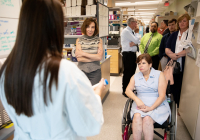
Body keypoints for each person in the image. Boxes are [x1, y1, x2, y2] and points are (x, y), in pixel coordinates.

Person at [0, 0, 104, 139]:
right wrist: (96, 96)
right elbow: (90, 125)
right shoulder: (65, 72)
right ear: (55, 26)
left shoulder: (8, 69)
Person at [125, 53, 171, 140]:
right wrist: (136, 99)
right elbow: (127, 90)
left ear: (150, 64)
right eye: (139, 63)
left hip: (157, 104)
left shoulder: (159, 74)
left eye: (143, 63)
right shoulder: (135, 76)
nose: (140, 66)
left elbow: (162, 96)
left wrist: (151, 108)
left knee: (147, 119)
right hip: (140, 103)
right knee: (137, 117)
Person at [165, 14, 190, 108]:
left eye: (184, 21)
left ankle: (180, 107)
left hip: (184, 66)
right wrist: (171, 55)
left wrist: (177, 55)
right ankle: (170, 105)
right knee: (171, 85)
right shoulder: (174, 34)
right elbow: (166, 48)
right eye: (180, 21)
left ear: (188, 22)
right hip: (172, 65)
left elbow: (190, 49)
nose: (182, 23)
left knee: (181, 86)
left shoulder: (190, 35)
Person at [75, 18, 103, 86]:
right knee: (83, 94)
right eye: (88, 27)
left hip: (95, 72)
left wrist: (83, 53)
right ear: (85, 27)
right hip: (82, 72)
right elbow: (79, 58)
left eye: (92, 27)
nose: (90, 29)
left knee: (94, 94)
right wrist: (94, 57)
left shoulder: (99, 40)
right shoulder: (79, 40)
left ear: (95, 29)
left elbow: (99, 57)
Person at [121, 17, 140, 97]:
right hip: (128, 55)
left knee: (132, 73)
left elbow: (138, 41)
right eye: (136, 22)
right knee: (127, 73)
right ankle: (125, 91)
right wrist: (136, 33)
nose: (136, 24)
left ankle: (130, 89)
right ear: (132, 23)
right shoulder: (126, 31)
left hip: (132, 54)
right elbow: (137, 40)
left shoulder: (130, 31)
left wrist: (135, 43)